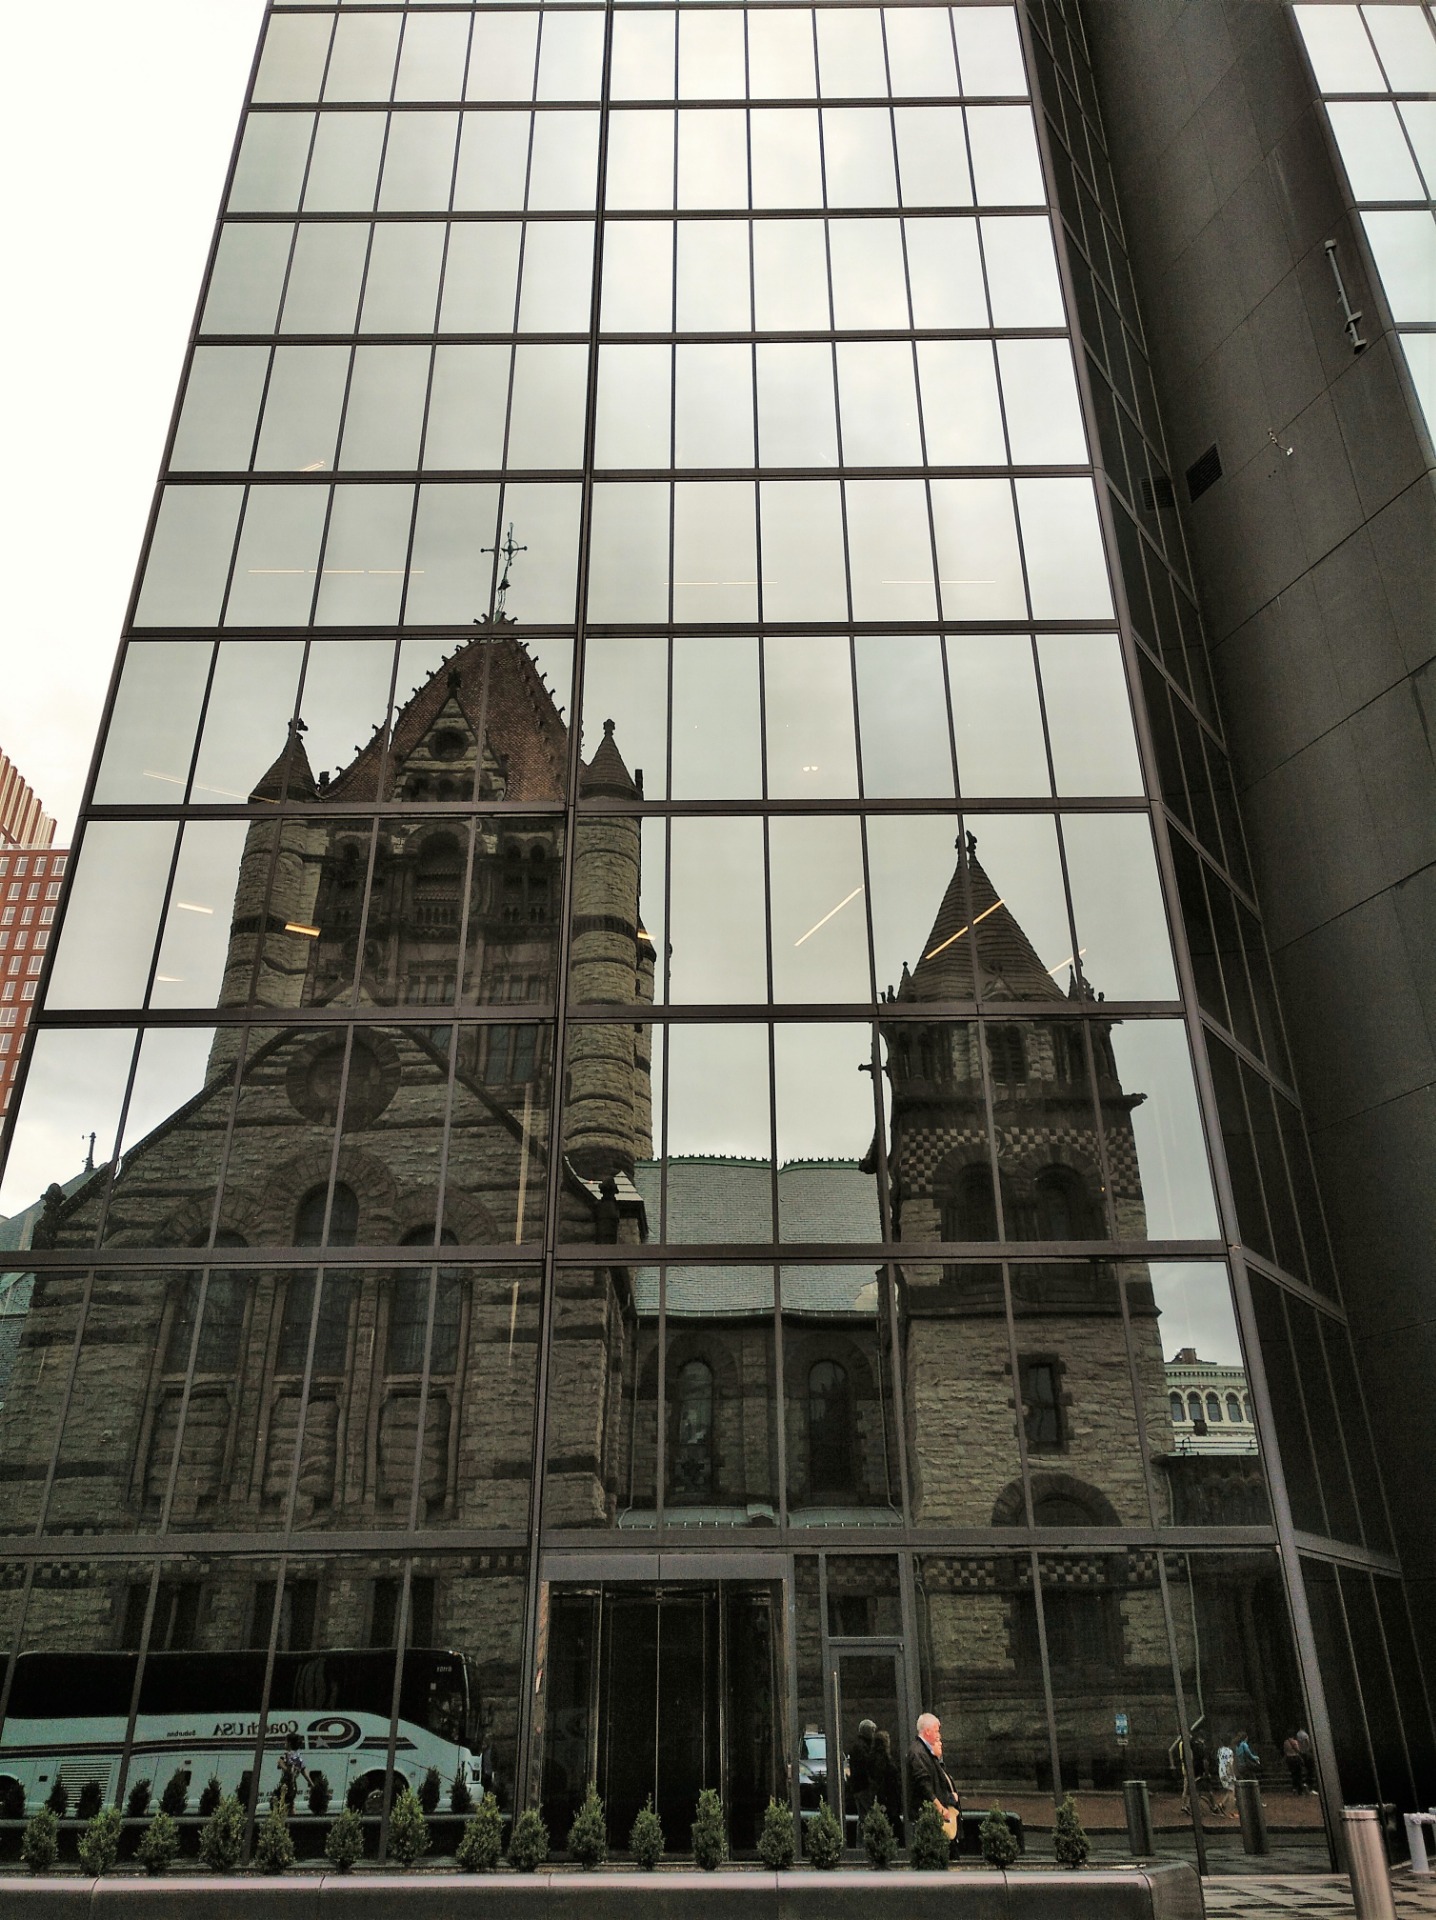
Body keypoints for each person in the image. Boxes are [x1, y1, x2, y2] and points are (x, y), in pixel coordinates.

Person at [906, 1712, 960, 1846]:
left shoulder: (926, 1752)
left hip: (932, 1814)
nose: (938, 1735)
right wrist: (940, 1808)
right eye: (936, 1731)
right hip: (927, 1816)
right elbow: (924, 1784)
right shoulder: (918, 1753)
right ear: (927, 1731)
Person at [871, 1728, 903, 1838]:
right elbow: (882, 1781)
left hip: (887, 1797)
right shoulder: (883, 1759)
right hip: (888, 1797)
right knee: (894, 1824)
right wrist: (883, 1801)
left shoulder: (875, 1758)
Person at [848, 1719, 877, 1819]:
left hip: (857, 1787)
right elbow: (867, 1766)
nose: (874, 1734)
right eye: (873, 1731)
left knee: (863, 1817)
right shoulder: (864, 1747)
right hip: (864, 1787)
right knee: (870, 1815)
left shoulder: (857, 1745)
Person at [1213, 1738, 1236, 1817]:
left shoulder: (1220, 1750)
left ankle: (1221, 1805)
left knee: (1229, 1790)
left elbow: (1219, 1760)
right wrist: (1232, 1775)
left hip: (1221, 1771)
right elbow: (1229, 1764)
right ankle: (1230, 1812)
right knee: (1232, 1792)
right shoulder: (1230, 1751)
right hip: (1227, 1772)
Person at [1294, 1728, 1315, 1793]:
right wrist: (1309, 1747)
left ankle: (1304, 1784)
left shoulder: (1298, 1734)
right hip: (1306, 1752)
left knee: (1304, 1768)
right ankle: (1308, 1784)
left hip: (1301, 1752)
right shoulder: (1305, 1734)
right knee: (1310, 1769)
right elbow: (1307, 1741)